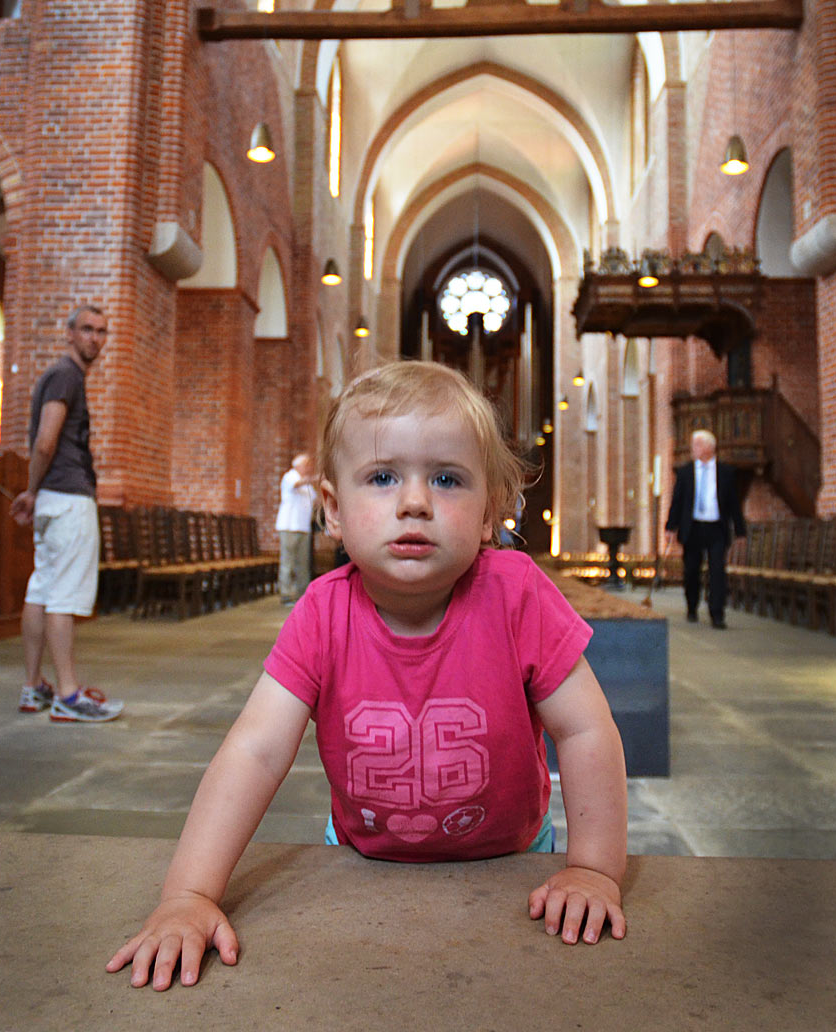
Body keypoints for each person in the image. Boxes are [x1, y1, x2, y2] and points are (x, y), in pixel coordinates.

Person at [107, 360, 627, 991]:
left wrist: (594, 870)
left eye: (447, 479)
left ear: (490, 511)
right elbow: (256, 751)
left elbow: (585, 731)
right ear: (333, 508)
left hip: (511, 860)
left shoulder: (518, 595)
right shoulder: (324, 612)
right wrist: (188, 893)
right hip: (362, 854)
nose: (414, 502)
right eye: (382, 477)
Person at [10, 304, 123, 722]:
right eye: (87, 330)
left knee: (41, 590)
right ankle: (69, 695)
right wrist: (32, 490)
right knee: (62, 597)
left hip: (52, 498)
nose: (95, 338)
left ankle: (33, 687)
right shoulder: (66, 375)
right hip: (68, 498)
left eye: (101, 331)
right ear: (69, 334)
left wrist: (36, 493)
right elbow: (45, 441)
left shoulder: (62, 376)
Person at [664, 428, 747, 629]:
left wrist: (740, 530)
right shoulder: (685, 472)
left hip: (716, 528)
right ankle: (692, 606)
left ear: (710, 447)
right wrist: (670, 527)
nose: (693, 449)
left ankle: (717, 614)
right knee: (691, 570)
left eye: (697, 445)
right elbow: (677, 501)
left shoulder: (726, 472)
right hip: (692, 528)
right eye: (693, 445)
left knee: (717, 570)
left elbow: (734, 503)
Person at [275, 452, 317, 605]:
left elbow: (315, 501)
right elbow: (296, 485)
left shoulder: (308, 486)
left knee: (302, 562)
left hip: (303, 527)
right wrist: (315, 478)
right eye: (306, 464)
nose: (309, 467)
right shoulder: (290, 476)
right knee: (288, 561)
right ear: (298, 465)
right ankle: (285, 594)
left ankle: (302, 595)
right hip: (289, 526)